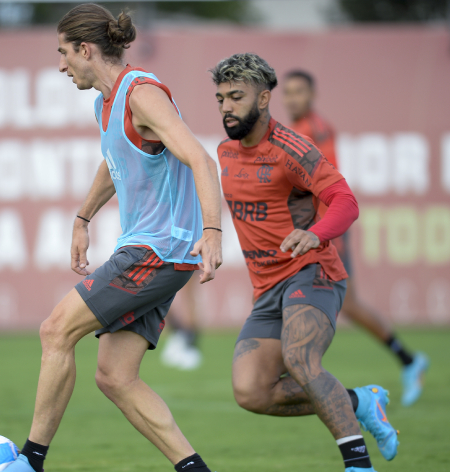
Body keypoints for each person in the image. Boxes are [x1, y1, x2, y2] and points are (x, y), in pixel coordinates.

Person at [5, 5, 222, 472]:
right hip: (156, 251)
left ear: (85, 49)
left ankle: (28, 463)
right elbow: (115, 158)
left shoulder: (141, 93)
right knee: (115, 377)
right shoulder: (106, 103)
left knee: (55, 330)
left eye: (64, 53)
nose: (60, 65)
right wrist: (83, 216)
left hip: (157, 250)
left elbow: (201, 160)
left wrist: (212, 231)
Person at [212, 53, 399, 472]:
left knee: (300, 361)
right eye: (221, 97)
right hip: (266, 290)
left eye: (236, 97)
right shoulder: (224, 153)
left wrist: (315, 233)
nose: (226, 107)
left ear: (263, 99)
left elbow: (345, 202)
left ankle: (358, 465)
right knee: (252, 393)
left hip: (312, 273)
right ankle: (360, 401)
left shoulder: (292, 148)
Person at [282, 69, 429, 407]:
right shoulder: (301, 130)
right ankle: (408, 360)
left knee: (322, 300)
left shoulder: (314, 130)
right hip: (312, 231)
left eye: (298, 92)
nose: (292, 98)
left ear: (311, 95)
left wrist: (326, 232)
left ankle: (296, 367)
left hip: (321, 232)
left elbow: (325, 185)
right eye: (288, 92)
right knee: (345, 304)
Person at [160, 274, 203, 371]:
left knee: (188, 295)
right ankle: (179, 333)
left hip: (189, 259)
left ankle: (189, 345)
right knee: (159, 295)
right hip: (167, 260)